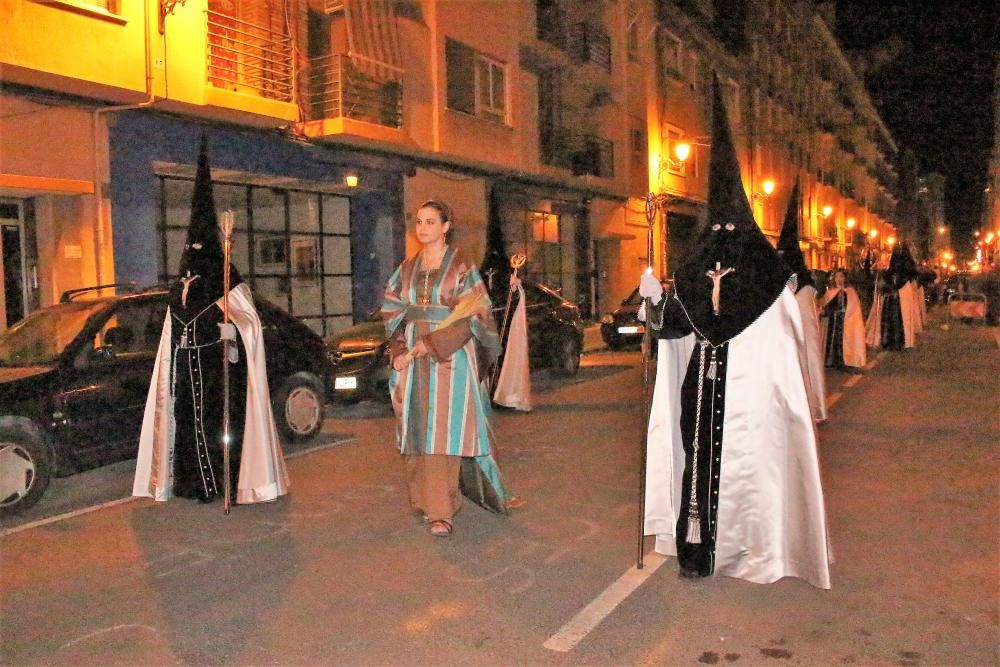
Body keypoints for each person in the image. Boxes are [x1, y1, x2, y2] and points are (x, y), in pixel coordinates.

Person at [640, 79, 831, 588]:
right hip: (699, 389)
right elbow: (670, 329)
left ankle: (754, 548)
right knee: (696, 468)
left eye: (731, 226)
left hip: (751, 395)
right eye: (716, 227)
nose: (721, 241)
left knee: (752, 471)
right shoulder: (697, 270)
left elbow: (785, 343)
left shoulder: (770, 280)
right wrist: (653, 300)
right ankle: (696, 553)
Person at [134, 139, 289, 504]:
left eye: (200, 246)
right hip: (187, 370)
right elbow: (171, 327)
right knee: (188, 425)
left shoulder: (226, 276)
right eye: (191, 247)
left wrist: (230, 331)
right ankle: (194, 485)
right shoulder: (181, 281)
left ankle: (226, 484)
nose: (195, 251)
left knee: (221, 426)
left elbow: (250, 321)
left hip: (221, 372)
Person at [381, 200, 519, 538]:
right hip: (413, 360)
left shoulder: (461, 269)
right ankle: (426, 498)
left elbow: (475, 314)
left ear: (445, 227)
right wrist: (398, 349)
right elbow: (392, 311)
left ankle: (441, 511)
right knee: (416, 430)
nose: (423, 227)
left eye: (431, 221)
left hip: (451, 359)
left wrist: (434, 343)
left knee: (443, 433)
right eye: (419, 221)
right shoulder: (406, 269)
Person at [776, 179, 826, 423]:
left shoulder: (805, 290)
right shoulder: (777, 285)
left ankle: (810, 404)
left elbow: (807, 328)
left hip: (800, 345)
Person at [819, 269, 867, 371]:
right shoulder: (831, 292)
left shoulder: (850, 292)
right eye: (837, 277)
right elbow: (825, 305)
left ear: (845, 278)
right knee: (833, 340)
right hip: (834, 321)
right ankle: (832, 361)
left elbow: (854, 307)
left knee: (844, 342)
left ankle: (846, 361)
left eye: (841, 277)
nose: (839, 279)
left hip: (846, 321)